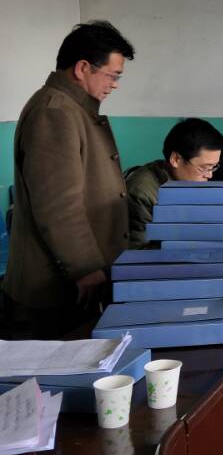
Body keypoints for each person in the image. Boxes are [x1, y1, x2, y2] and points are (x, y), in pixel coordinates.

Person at [3, 21, 134, 338]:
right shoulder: (55, 112)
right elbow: (58, 205)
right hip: (56, 284)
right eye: (113, 75)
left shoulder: (74, 109)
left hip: (74, 278)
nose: (115, 85)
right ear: (82, 68)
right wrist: (85, 267)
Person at [125, 118, 223, 247]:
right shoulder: (141, 193)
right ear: (176, 159)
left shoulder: (186, 182)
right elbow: (137, 251)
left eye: (213, 167)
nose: (209, 175)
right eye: (205, 167)